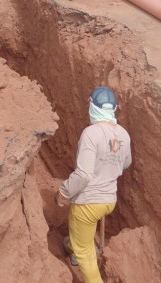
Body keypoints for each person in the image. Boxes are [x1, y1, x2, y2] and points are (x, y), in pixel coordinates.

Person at [55, 86, 132, 283]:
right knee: (79, 231)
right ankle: (72, 246)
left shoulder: (91, 133)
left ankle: (79, 256)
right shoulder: (123, 134)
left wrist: (63, 193)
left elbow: (83, 174)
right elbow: (126, 163)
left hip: (89, 202)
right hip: (108, 200)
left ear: (93, 107)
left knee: (85, 252)